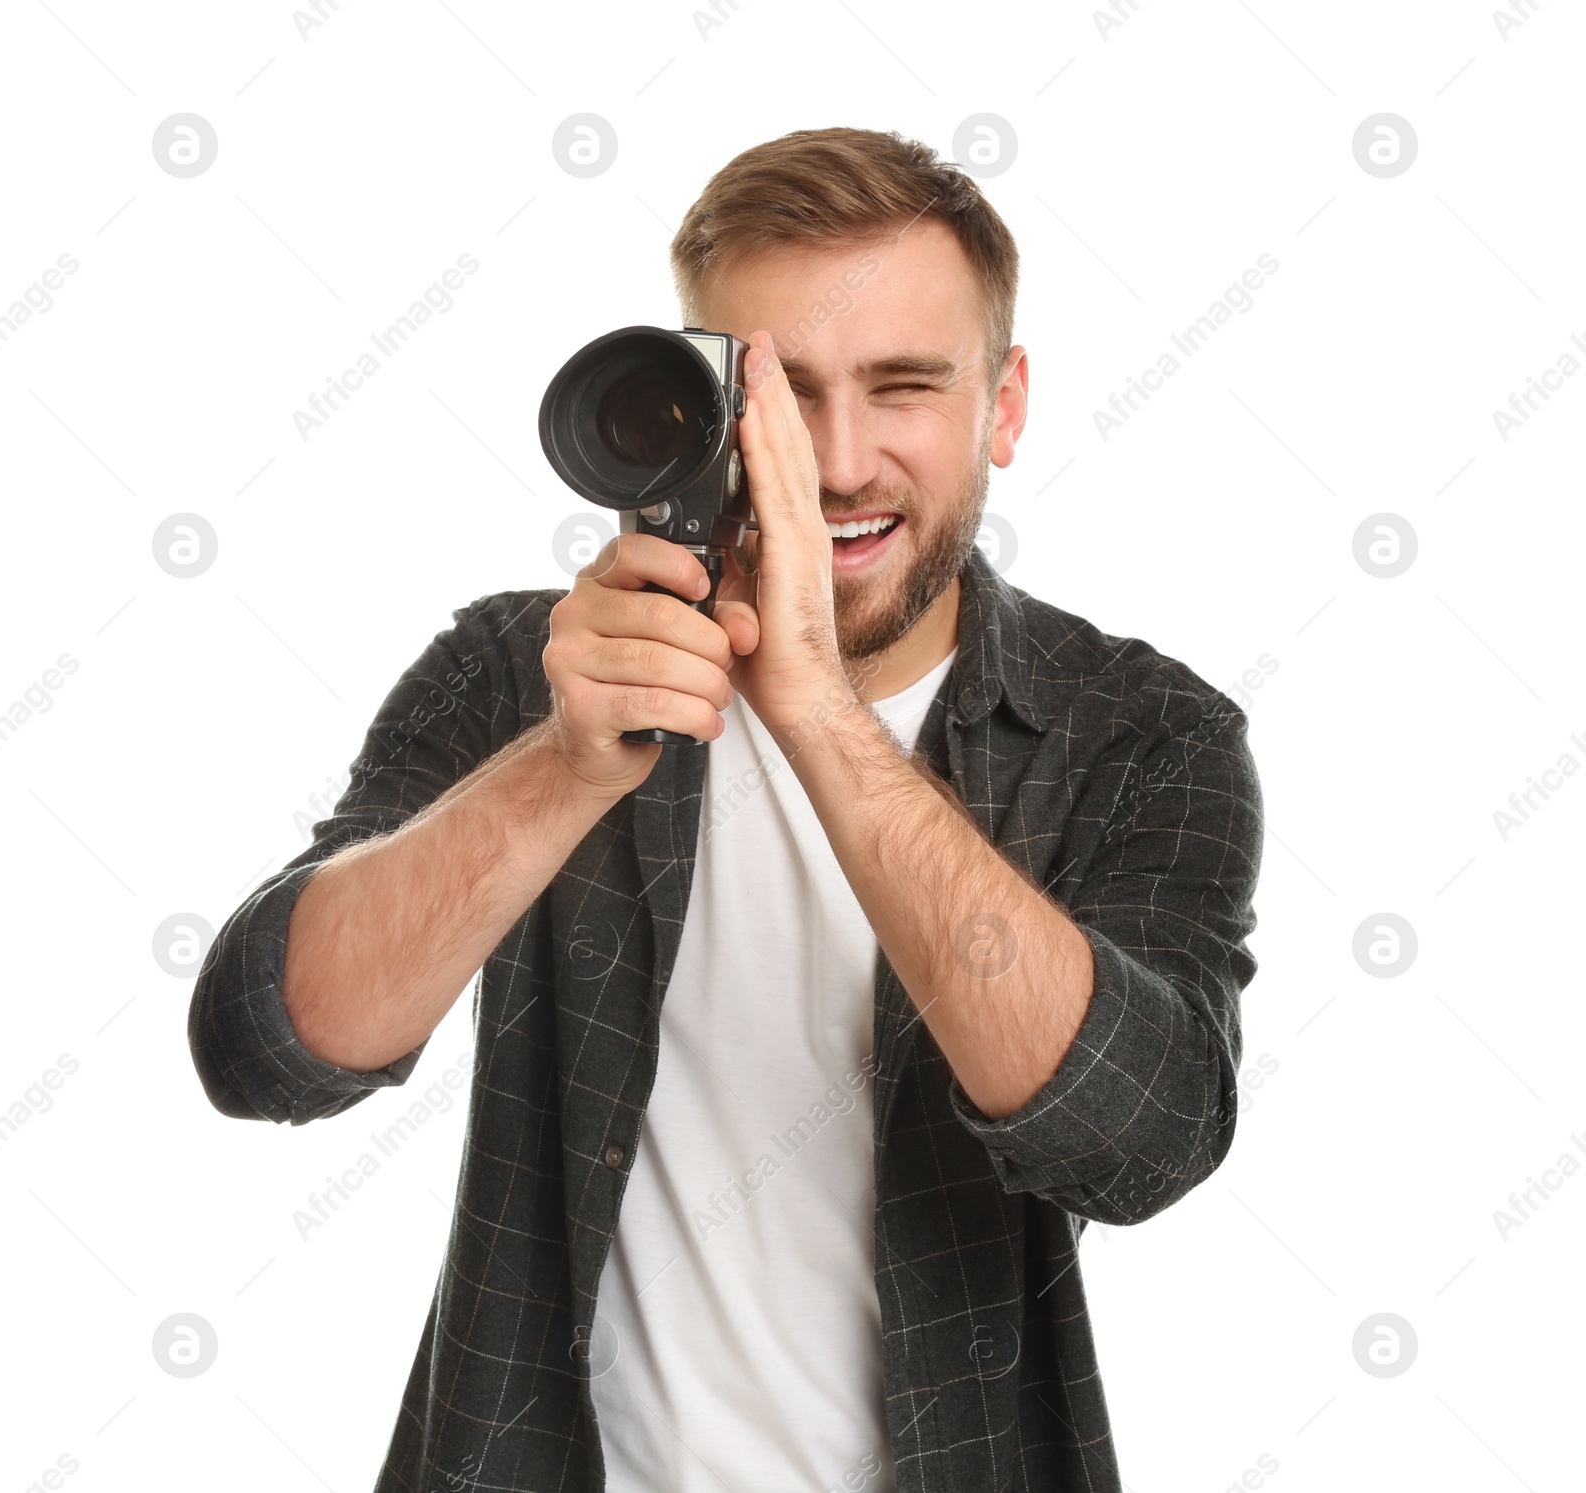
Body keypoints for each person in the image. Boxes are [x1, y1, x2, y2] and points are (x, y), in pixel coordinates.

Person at [189, 125, 1265, 1493]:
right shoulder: (519, 673)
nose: (836, 457)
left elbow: (1138, 1139)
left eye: (905, 386)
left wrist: (816, 704)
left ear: (1003, 404)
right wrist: (562, 768)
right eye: (782, 393)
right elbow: (264, 1051)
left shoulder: (1143, 732)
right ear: (689, 403)